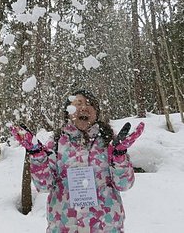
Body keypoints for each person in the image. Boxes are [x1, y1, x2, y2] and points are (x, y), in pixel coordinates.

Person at [11, 89, 145, 233]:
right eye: (78, 103)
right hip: (65, 227)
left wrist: (119, 155)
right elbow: (44, 186)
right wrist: (36, 154)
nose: (84, 108)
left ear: (96, 113)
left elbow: (124, 184)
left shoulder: (109, 144)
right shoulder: (55, 144)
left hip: (105, 227)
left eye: (89, 104)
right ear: (68, 112)